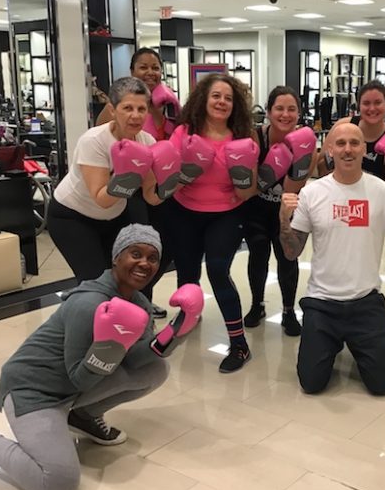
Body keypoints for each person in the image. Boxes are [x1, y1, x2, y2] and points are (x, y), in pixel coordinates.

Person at [0, 224, 203, 490]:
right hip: (34, 390)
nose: (144, 264)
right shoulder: (87, 303)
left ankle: (82, 416)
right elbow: (80, 378)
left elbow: (137, 360)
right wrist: (109, 348)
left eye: (152, 258)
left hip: (70, 389)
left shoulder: (139, 303)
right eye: (135, 253)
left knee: (156, 369)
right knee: (59, 483)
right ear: (116, 257)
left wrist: (173, 334)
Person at [279, 123, 385, 395]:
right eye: (341, 143)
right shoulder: (312, 193)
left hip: (365, 303)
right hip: (322, 302)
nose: (348, 149)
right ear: (330, 150)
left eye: (355, 143)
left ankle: (355, 342)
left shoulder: (382, 192)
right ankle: (331, 341)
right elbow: (291, 252)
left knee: (381, 384)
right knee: (311, 384)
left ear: (364, 149)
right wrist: (284, 222)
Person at [162, 73, 259, 373]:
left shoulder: (243, 137)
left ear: (235, 105)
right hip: (184, 210)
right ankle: (184, 320)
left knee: (217, 269)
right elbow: (167, 180)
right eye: (216, 96)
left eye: (228, 98)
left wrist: (240, 176)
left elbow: (249, 190)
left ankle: (239, 345)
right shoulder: (183, 133)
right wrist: (187, 174)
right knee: (188, 275)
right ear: (204, 99)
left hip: (226, 212)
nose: (222, 102)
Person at [49, 77, 180, 283]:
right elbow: (102, 198)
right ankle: (84, 312)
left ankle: (130, 313)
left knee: (124, 278)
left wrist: (172, 183)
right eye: (128, 108)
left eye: (141, 109)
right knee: (95, 282)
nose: (135, 116)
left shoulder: (147, 142)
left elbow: (150, 196)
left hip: (115, 217)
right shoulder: (94, 141)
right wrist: (126, 174)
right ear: (112, 110)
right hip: (73, 216)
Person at [97, 48, 182, 318]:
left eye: (155, 67)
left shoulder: (167, 104)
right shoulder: (123, 103)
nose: (150, 72)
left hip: (158, 185)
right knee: (139, 247)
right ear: (132, 71)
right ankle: (133, 305)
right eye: (143, 67)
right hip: (129, 189)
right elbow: (101, 132)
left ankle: (140, 298)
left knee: (165, 245)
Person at [242, 86, 317, 336]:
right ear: (269, 111)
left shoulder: (306, 144)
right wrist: (268, 173)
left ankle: (288, 310)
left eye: (292, 109)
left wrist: (291, 159)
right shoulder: (255, 137)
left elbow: (292, 191)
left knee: (288, 258)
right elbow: (249, 187)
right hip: (256, 209)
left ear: (299, 112)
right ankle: (257, 304)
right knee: (258, 254)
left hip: (287, 209)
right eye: (279, 109)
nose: (285, 115)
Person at [318, 80, 385, 197]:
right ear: (359, 106)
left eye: (378, 102)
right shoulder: (343, 126)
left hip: (371, 203)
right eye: (366, 103)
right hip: (337, 197)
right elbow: (321, 171)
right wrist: (335, 153)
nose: (372, 108)